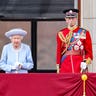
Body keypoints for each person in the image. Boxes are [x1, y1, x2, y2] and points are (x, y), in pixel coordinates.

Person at [56, 9, 93, 73]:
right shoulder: (61, 33)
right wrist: (58, 66)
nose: (71, 20)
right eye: (69, 18)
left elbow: (89, 52)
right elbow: (59, 51)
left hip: (80, 65)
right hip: (66, 65)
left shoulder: (84, 32)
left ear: (76, 19)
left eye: (73, 18)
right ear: (66, 19)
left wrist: (86, 62)